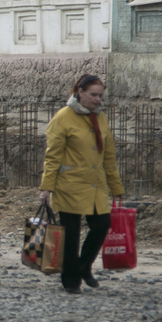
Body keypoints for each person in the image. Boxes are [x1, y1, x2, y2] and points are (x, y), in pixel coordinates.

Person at [39, 74, 124, 294]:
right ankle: (71, 281)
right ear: (80, 93)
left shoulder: (100, 118)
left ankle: (84, 266)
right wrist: (46, 187)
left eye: (100, 96)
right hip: (69, 186)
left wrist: (116, 187)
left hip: (96, 186)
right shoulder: (63, 118)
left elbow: (108, 156)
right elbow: (52, 156)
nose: (97, 100)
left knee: (101, 225)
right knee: (71, 236)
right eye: (93, 95)